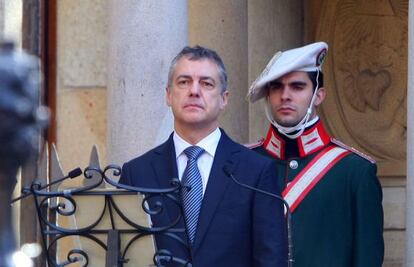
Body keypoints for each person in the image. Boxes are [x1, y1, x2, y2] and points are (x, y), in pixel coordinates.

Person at [120, 45, 287, 267]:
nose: (194, 91)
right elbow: (122, 255)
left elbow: (271, 259)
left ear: (224, 99)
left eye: (207, 83)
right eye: (184, 82)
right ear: (169, 95)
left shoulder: (255, 172)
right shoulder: (137, 172)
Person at [246, 42, 384, 267]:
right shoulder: (243, 164)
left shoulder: (354, 171)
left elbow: (367, 258)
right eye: (276, 87)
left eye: (297, 87)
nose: (285, 96)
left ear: (318, 96)